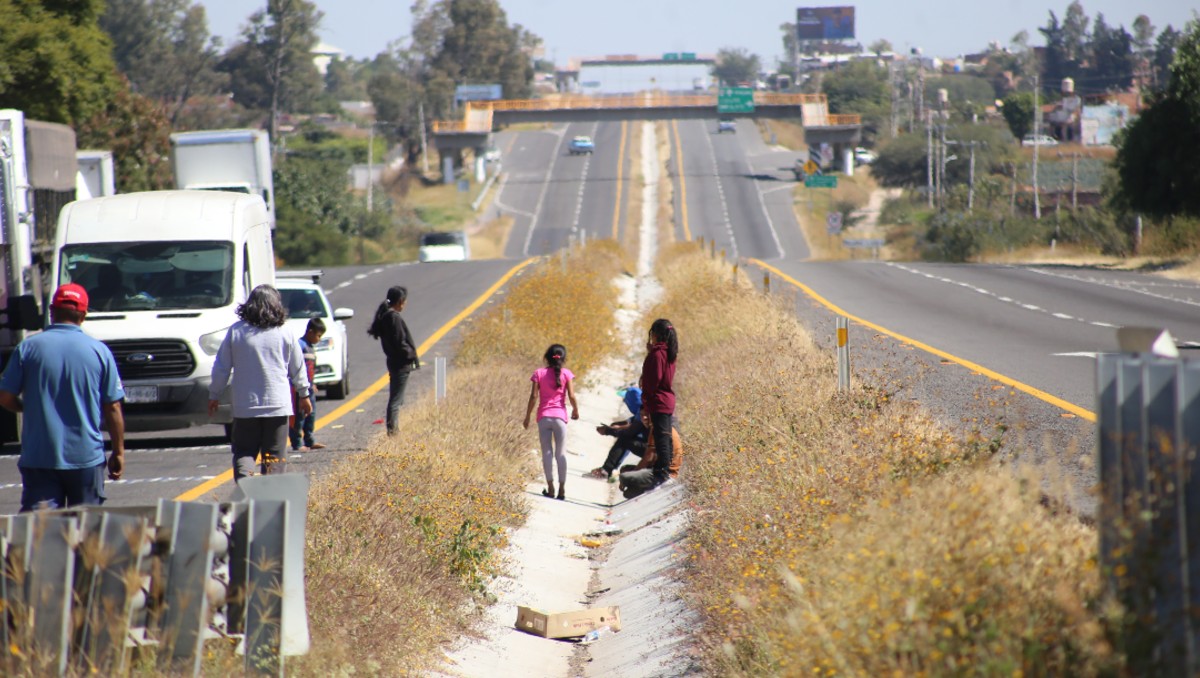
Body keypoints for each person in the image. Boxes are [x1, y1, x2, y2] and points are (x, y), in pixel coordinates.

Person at [0, 284, 126, 511]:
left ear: (51, 310)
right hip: (85, 457)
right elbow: (113, 407)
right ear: (84, 315)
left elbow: (5, 396)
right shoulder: (99, 351)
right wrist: (118, 452)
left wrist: (26, 407)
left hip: (40, 457)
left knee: (40, 533)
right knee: (87, 531)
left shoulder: (27, 348)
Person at [208, 284, 311, 481]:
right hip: (277, 405)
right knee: (274, 456)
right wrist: (304, 394)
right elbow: (298, 368)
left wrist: (214, 394)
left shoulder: (236, 332)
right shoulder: (285, 332)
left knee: (244, 452)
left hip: (245, 406)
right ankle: (269, 500)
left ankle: (246, 486)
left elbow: (221, 367)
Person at [523, 344, 579, 500]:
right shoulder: (567, 374)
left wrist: (527, 416)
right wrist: (575, 410)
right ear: (563, 358)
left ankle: (551, 487)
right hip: (560, 417)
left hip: (543, 417)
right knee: (561, 453)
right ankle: (562, 489)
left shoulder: (539, 373)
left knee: (547, 452)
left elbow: (534, 397)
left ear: (546, 358)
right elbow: (572, 396)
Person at [367, 286, 419, 436]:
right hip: (399, 362)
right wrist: (410, 354)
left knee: (397, 398)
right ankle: (393, 432)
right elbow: (399, 342)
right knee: (396, 400)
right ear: (401, 301)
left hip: (394, 361)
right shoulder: (393, 317)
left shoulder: (386, 315)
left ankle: (393, 430)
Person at [641, 318, 678, 487]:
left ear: (656, 334)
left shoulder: (657, 354)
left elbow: (652, 382)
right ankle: (665, 469)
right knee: (664, 436)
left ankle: (665, 472)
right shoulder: (669, 352)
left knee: (661, 437)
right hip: (666, 399)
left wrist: (645, 405)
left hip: (658, 401)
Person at [618, 410, 684, 500]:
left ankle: (651, 485)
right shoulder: (656, 427)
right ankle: (644, 485)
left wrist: (629, 476)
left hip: (665, 474)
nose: (644, 418)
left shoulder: (658, 428)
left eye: (647, 415)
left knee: (624, 477)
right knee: (627, 485)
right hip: (658, 469)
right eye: (641, 415)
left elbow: (648, 458)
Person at [586, 386, 645, 481]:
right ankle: (610, 470)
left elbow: (631, 430)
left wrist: (608, 431)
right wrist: (614, 426)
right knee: (626, 438)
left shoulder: (645, 411)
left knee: (624, 439)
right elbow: (629, 423)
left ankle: (606, 471)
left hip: (655, 452)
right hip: (653, 448)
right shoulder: (643, 409)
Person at [289, 317, 326, 452]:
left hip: (309, 388)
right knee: (299, 417)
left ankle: (309, 440)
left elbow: (311, 369)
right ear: (310, 332)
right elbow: (296, 368)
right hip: (299, 388)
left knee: (310, 415)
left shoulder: (310, 347)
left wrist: (313, 383)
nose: (319, 339)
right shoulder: (300, 345)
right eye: (318, 335)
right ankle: (297, 443)